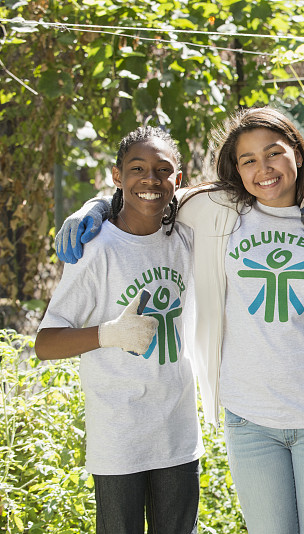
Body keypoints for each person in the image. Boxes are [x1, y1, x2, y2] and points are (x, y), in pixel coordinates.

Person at [54, 108, 304, 534]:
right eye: (248, 160)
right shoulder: (219, 213)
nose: (263, 169)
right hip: (251, 417)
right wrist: (97, 204)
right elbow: (152, 195)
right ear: (235, 169)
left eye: (274, 154)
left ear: (299, 154)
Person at [35, 126, 203, 533]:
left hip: (177, 433)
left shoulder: (185, 237)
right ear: (116, 176)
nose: (150, 179)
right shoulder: (97, 250)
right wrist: (107, 334)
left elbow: (233, 196)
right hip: (119, 434)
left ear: (177, 181)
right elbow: (44, 343)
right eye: (137, 169)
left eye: (163, 170)